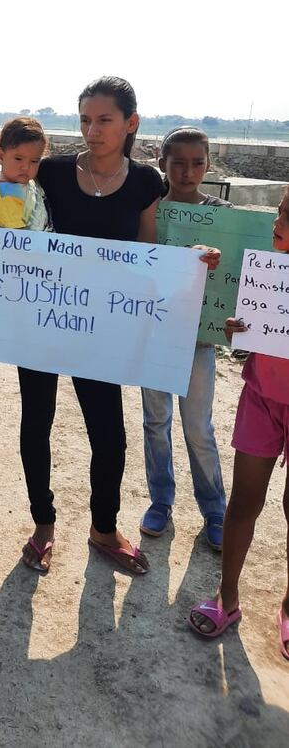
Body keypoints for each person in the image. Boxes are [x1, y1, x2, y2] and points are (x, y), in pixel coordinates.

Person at [9, 76, 165, 576]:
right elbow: (19, 218)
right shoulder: (50, 172)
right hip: (44, 322)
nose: (92, 131)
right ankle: (42, 525)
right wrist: (1, 236)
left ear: (130, 123)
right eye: (84, 120)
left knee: (110, 436)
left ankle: (103, 529)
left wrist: (191, 265)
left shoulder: (145, 183)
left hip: (100, 333)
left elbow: (148, 255)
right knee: (37, 424)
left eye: (104, 120)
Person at [189, 188, 289, 661]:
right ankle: (227, 596)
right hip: (261, 398)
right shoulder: (268, 270)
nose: (277, 219)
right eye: (282, 209)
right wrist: (239, 331)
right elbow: (252, 335)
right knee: (244, 501)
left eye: (288, 215)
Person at [140, 127, 230, 549]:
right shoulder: (149, 210)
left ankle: (214, 508)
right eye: (178, 162)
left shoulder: (224, 217)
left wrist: (217, 261)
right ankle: (161, 499)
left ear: (208, 164)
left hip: (198, 339)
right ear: (162, 163)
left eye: (197, 162)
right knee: (156, 422)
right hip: (154, 332)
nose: (188, 171)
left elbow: (239, 277)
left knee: (198, 426)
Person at [0, 117, 49, 232]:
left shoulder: (27, 183)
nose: (26, 167)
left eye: (34, 161)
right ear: (1, 156)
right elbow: (18, 240)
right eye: (18, 159)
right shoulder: (6, 196)